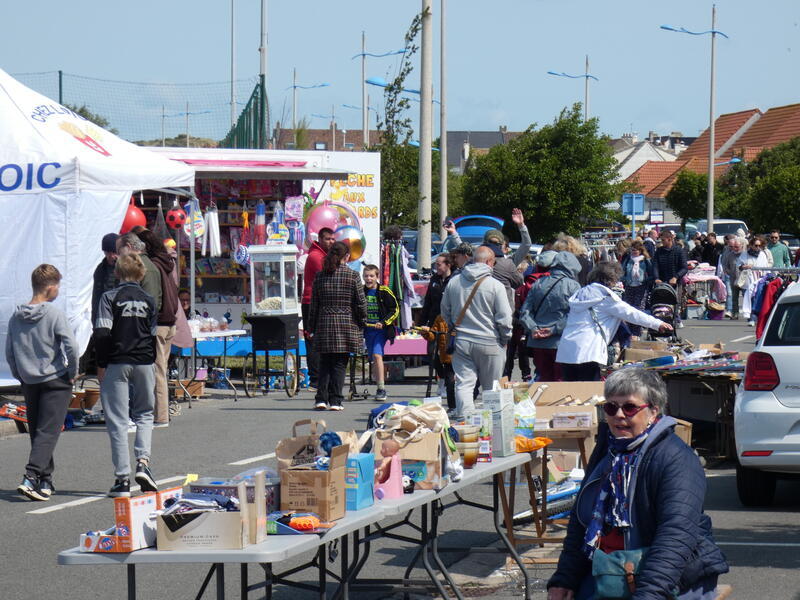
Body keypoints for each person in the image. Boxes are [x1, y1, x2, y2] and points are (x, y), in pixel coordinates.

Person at [547, 369, 729, 599]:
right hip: (611, 571)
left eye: (630, 407)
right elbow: (580, 523)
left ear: (654, 411)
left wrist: (649, 594)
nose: (619, 415)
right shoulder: (609, 451)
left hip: (668, 576)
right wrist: (565, 578)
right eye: (611, 407)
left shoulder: (676, 459)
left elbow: (676, 536)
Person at [6, 265, 78, 501]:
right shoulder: (53, 313)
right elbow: (71, 346)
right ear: (50, 288)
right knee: (48, 431)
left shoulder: (16, 316)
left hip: (29, 380)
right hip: (55, 378)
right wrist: (72, 371)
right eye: (57, 285)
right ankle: (31, 476)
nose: (58, 290)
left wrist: (20, 373)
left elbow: (10, 352)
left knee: (38, 432)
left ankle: (45, 480)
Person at [95, 254, 159, 498]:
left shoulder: (109, 297)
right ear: (141, 274)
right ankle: (143, 463)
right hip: (144, 360)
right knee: (144, 414)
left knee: (118, 420)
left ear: (118, 273)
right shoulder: (149, 300)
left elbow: (102, 332)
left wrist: (101, 363)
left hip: (117, 360)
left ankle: (122, 479)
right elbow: (152, 335)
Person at [556, 262, 672, 382]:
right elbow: (632, 314)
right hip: (587, 350)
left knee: (570, 390)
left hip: (567, 348)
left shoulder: (580, 294)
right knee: (588, 390)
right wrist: (657, 323)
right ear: (611, 280)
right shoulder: (606, 298)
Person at [441, 246, 512, 417]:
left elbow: (444, 311)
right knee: (491, 388)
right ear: (489, 262)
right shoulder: (495, 285)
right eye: (493, 263)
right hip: (490, 342)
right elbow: (505, 318)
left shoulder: (454, 282)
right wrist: (505, 338)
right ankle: (492, 427)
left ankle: (466, 422)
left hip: (462, 341)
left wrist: (454, 327)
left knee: (464, 384)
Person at [307, 241, 367, 411]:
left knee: (325, 362)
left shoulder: (320, 276)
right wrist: (362, 320)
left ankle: (321, 399)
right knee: (340, 363)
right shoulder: (353, 275)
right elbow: (361, 303)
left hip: (325, 322)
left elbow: (314, 305)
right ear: (346, 257)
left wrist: (311, 327)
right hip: (346, 323)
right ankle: (335, 400)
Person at [134, 228, 179, 428]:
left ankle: (160, 415)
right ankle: (160, 412)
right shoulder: (166, 262)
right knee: (161, 369)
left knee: (158, 370)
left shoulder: (152, 265)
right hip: (170, 322)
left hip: (159, 322)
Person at [519, 251, 581, 382]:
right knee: (560, 380)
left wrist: (533, 328)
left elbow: (524, 312)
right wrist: (553, 329)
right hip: (560, 341)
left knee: (543, 379)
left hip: (538, 342)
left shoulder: (538, 283)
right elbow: (575, 315)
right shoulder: (573, 286)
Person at [417, 253, 456, 409]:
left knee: (447, 356)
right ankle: (441, 379)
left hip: (448, 323)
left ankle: (448, 382)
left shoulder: (454, 280)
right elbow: (428, 302)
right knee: (432, 354)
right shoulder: (434, 280)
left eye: (439, 264)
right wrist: (421, 323)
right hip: (434, 321)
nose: (436, 267)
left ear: (448, 265)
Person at [301, 227, 335, 392]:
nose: (331, 242)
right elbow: (329, 273)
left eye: (333, 239)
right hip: (310, 302)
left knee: (319, 340)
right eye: (328, 239)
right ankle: (315, 380)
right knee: (312, 340)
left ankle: (321, 377)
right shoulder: (316, 256)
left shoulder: (323, 254)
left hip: (318, 301)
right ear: (320, 239)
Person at [362, 264, 399, 401]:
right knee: (372, 358)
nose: (368, 278)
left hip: (380, 331)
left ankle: (381, 388)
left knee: (377, 356)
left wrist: (383, 322)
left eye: (371, 276)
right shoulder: (361, 291)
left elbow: (394, 309)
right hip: (367, 330)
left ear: (377, 277)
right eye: (366, 276)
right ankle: (377, 382)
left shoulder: (384, 291)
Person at [481, 208, 531, 308]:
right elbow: (464, 254)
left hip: (500, 311)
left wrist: (521, 225)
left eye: (498, 244)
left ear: (505, 248)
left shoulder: (510, 262)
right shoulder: (478, 260)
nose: (495, 247)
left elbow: (526, 244)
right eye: (491, 243)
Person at [653, 229, 688, 327]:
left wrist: (676, 277)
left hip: (675, 281)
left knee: (675, 301)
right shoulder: (659, 251)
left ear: (670, 239)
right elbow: (655, 266)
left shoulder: (679, 251)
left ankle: (676, 319)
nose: (662, 242)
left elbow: (684, 268)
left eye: (663, 240)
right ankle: (664, 319)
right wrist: (656, 278)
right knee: (662, 301)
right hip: (662, 280)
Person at [620, 240, 655, 337]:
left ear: (640, 251)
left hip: (641, 287)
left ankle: (637, 332)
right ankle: (629, 332)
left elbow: (651, 274)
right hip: (629, 287)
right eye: (632, 250)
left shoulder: (646, 260)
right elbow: (622, 272)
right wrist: (624, 280)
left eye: (636, 250)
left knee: (639, 309)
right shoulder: (628, 259)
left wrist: (645, 281)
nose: (634, 252)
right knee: (628, 309)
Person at [736, 235, 770, 326]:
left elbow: (765, 267)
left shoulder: (762, 254)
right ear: (751, 245)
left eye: (759, 245)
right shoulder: (745, 254)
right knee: (748, 298)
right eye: (755, 245)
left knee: (756, 298)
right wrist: (744, 266)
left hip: (758, 279)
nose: (757, 247)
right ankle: (750, 318)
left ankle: (754, 317)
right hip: (747, 279)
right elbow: (738, 265)